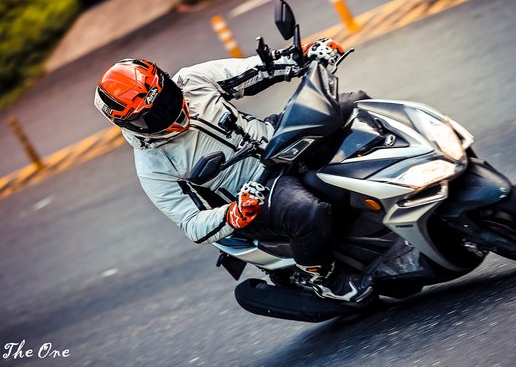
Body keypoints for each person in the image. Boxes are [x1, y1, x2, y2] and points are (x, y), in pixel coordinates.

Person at [94, 39, 373, 303]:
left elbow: (255, 69)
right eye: (151, 116)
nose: (167, 112)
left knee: (354, 104)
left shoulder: (192, 80)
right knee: (308, 212)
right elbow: (191, 223)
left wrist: (304, 53)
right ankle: (325, 280)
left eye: (166, 97)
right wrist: (233, 213)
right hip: (257, 190)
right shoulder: (152, 165)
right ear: (128, 124)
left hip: (276, 138)